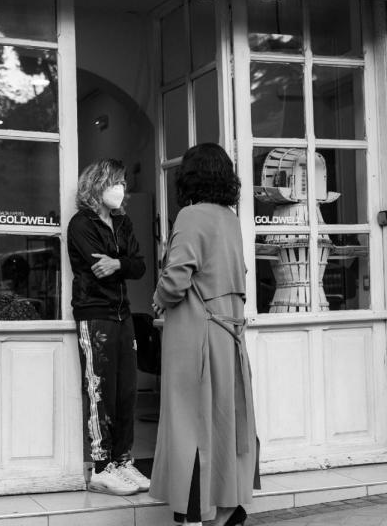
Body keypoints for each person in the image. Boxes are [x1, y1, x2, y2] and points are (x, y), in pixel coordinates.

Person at [150, 143, 258, 526]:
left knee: (189, 423)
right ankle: (228, 505)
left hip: (196, 333)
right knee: (223, 421)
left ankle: (195, 512)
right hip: (229, 331)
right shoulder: (229, 218)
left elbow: (177, 276)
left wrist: (159, 297)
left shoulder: (191, 216)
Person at [67, 158, 150, 496]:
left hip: (122, 313)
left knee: (126, 390)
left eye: (124, 184)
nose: (121, 190)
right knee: (101, 390)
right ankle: (101, 467)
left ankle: (122, 460)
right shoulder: (81, 224)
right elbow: (98, 266)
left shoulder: (123, 222)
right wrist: (120, 263)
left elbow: (139, 266)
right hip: (95, 312)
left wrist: (118, 262)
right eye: (115, 182)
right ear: (97, 185)